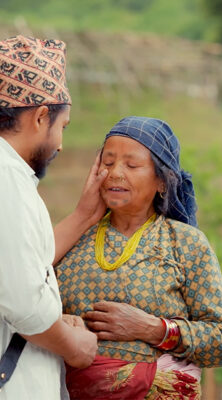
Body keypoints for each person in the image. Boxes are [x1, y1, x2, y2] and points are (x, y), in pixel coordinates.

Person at [55, 116, 222, 399]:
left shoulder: (186, 244)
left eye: (131, 165)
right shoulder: (71, 238)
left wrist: (153, 328)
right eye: (107, 162)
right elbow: (26, 307)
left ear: (162, 182)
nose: (115, 173)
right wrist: (60, 322)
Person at [0, 35, 99, 400]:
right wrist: (74, 344)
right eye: (63, 126)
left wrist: (83, 216)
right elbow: (24, 303)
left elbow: (17, 264)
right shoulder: (6, 177)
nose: (60, 144)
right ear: (41, 116)